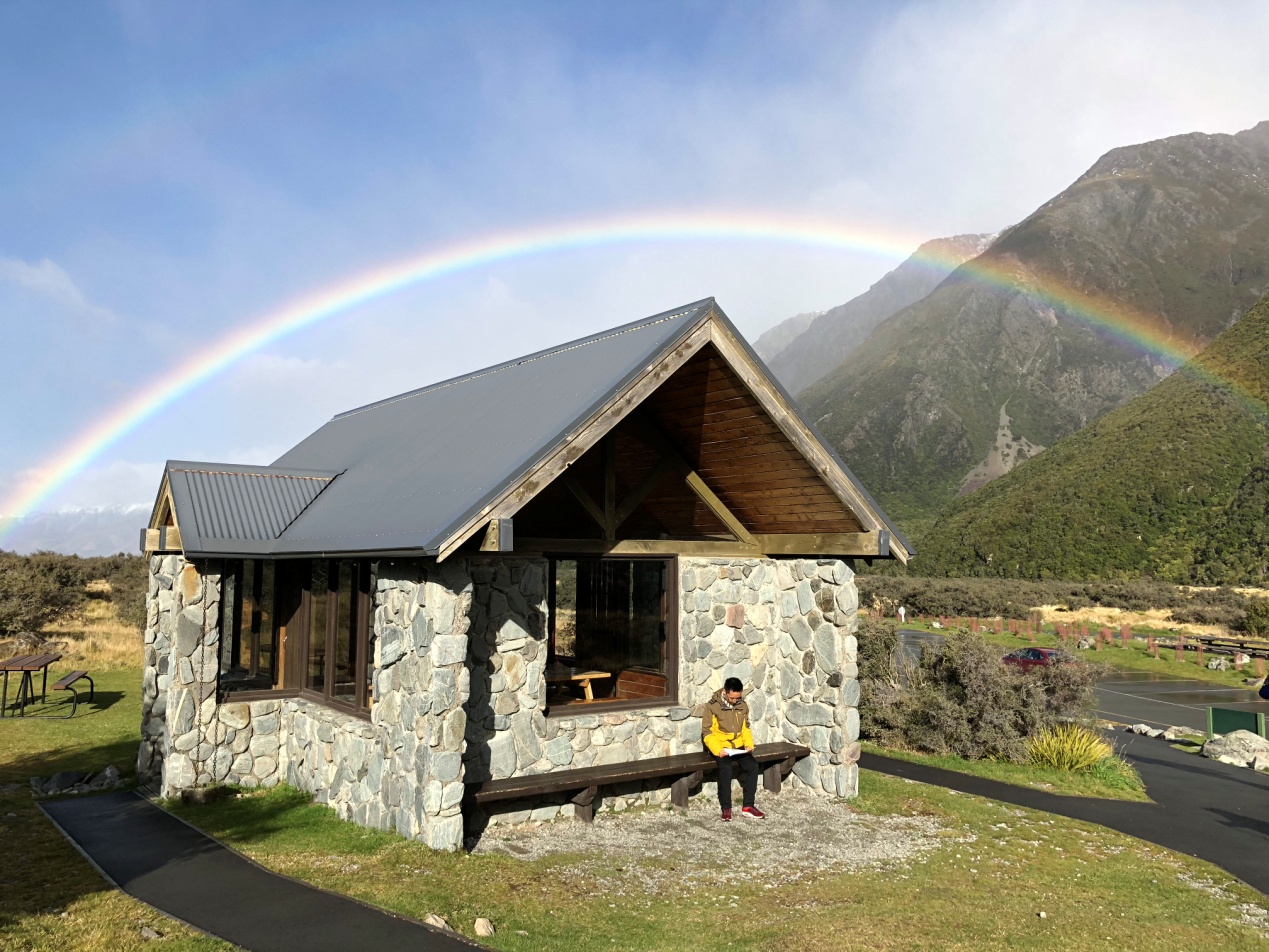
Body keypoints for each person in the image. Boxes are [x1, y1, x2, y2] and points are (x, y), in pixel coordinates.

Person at [701, 676, 765, 821]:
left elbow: (745, 728)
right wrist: (718, 750)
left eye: (738, 698)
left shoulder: (743, 706)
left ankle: (748, 806)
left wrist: (749, 744)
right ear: (725, 692)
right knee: (726, 768)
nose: (735, 700)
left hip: (738, 746)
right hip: (720, 746)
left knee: (753, 766)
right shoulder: (712, 706)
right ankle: (726, 808)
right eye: (732, 698)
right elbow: (707, 732)